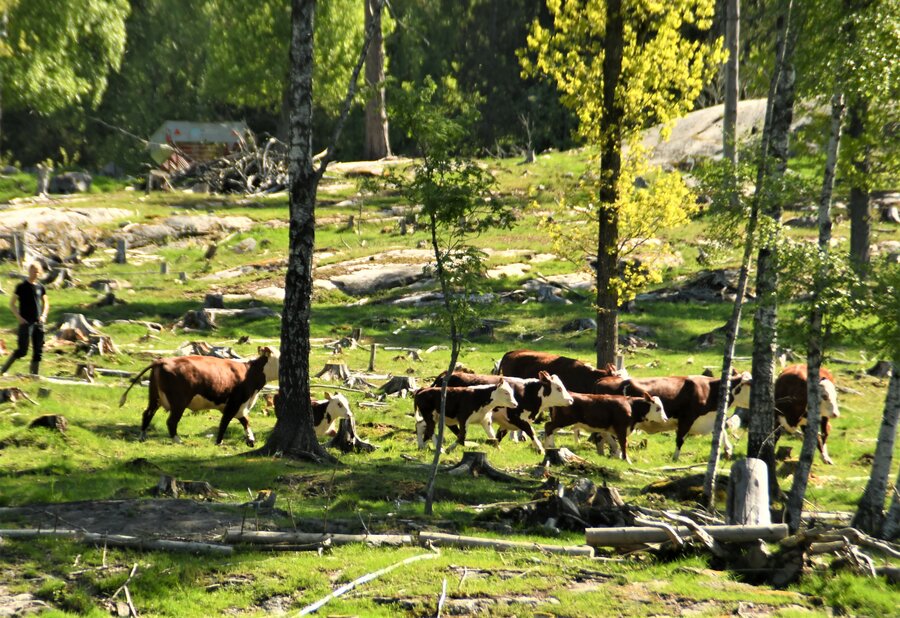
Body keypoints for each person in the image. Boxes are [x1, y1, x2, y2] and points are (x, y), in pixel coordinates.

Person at [1, 263, 49, 375]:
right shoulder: (21, 287)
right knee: (22, 351)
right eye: (33, 271)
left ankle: (34, 376)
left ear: (40, 273)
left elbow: (46, 303)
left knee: (38, 351)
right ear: (29, 271)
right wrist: (19, 318)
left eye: (37, 271)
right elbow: (12, 304)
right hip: (26, 322)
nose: (35, 273)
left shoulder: (41, 288)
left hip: (39, 322)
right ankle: (3, 370)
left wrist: (44, 316)